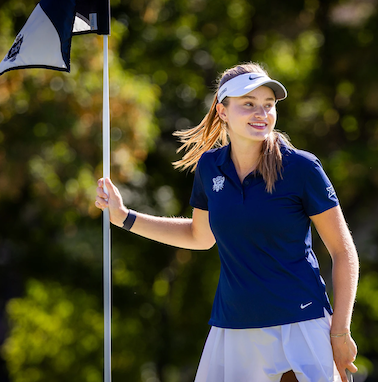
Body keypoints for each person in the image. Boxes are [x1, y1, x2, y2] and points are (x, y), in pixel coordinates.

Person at [95, 62, 360, 382]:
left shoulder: (302, 168)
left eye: (268, 104)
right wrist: (125, 217)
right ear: (222, 111)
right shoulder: (210, 167)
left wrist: (340, 331)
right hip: (234, 325)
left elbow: (343, 251)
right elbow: (199, 236)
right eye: (248, 104)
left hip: (301, 322)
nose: (261, 113)